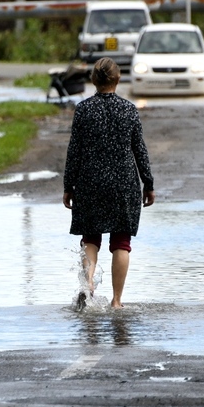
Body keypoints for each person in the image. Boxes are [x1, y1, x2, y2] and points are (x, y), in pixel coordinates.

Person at [62, 58, 155, 309]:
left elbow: (75, 152)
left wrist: (68, 185)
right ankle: (116, 301)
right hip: (124, 183)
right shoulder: (129, 110)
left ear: (94, 80)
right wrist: (148, 183)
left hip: (90, 181)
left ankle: (88, 284)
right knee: (121, 243)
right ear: (118, 79)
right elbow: (140, 150)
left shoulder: (83, 110)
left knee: (90, 239)